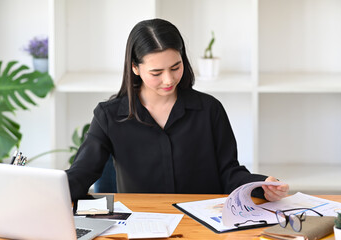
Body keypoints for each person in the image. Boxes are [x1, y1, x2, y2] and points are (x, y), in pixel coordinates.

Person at [66, 18, 289, 201]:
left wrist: (261, 185)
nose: (168, 79)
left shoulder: (209, 109)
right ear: (135, 68)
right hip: (141, 223)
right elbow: (81, 174)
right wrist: (45, 194)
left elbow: (229, 172)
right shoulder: (109, 116)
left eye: (176, 67)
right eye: (156, 72)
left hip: (204, 224)